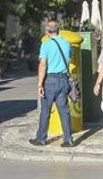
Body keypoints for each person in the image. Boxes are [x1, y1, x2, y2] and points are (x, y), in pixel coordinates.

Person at [30, 20, 74, 148]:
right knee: (64, 110)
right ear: (58, 30)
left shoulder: (46, 44)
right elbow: (70, 57)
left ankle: (41, 138)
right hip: (64, 79)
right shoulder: (66, 43)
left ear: (48, 31)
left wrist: (39, 84)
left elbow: (43, 64)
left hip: (50, 80)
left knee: (45, 111)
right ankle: (68, 139)